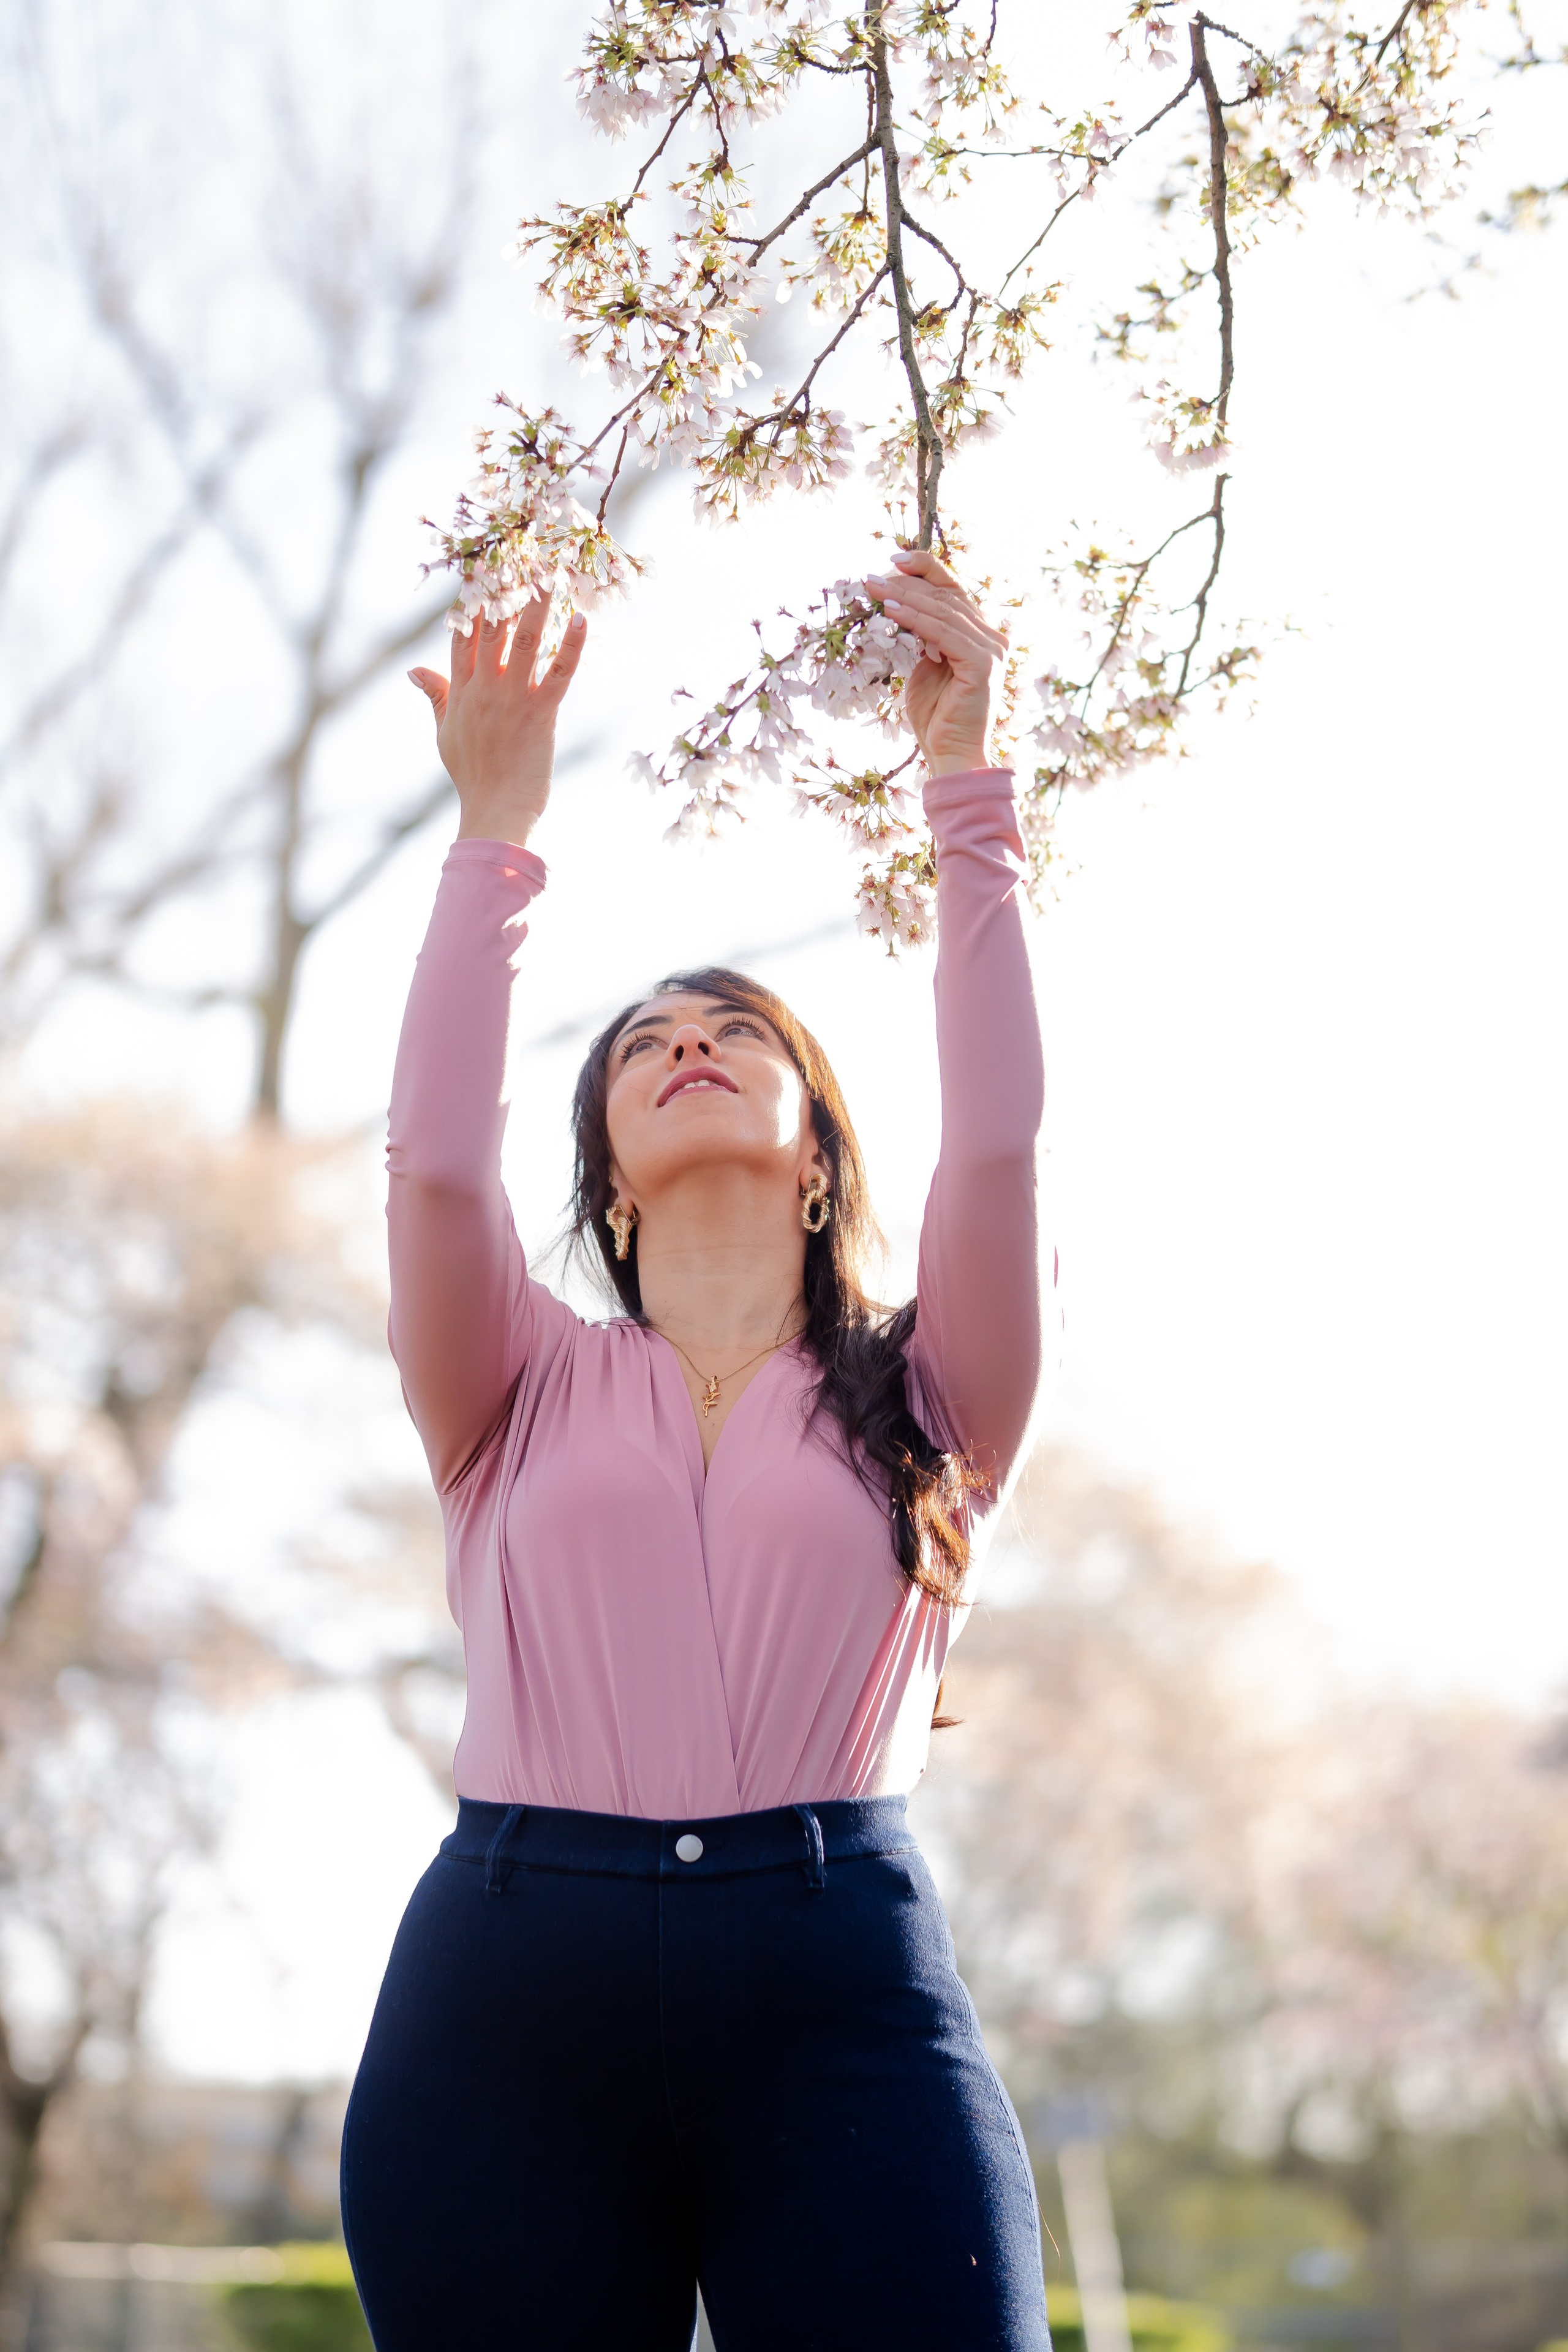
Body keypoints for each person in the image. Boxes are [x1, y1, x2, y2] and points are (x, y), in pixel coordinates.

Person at [339, 548, 1053, 2351]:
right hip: (509, 1996)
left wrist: (971, 794)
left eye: (738, 1032)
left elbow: (998, 1152)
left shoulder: (935, 1387)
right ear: (606, 1173)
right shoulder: (507, 1381)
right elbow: (430, 1162)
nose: (692, 1048)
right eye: (647, 1043)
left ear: (815, 1149)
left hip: (843, 1992)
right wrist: (497, 834)